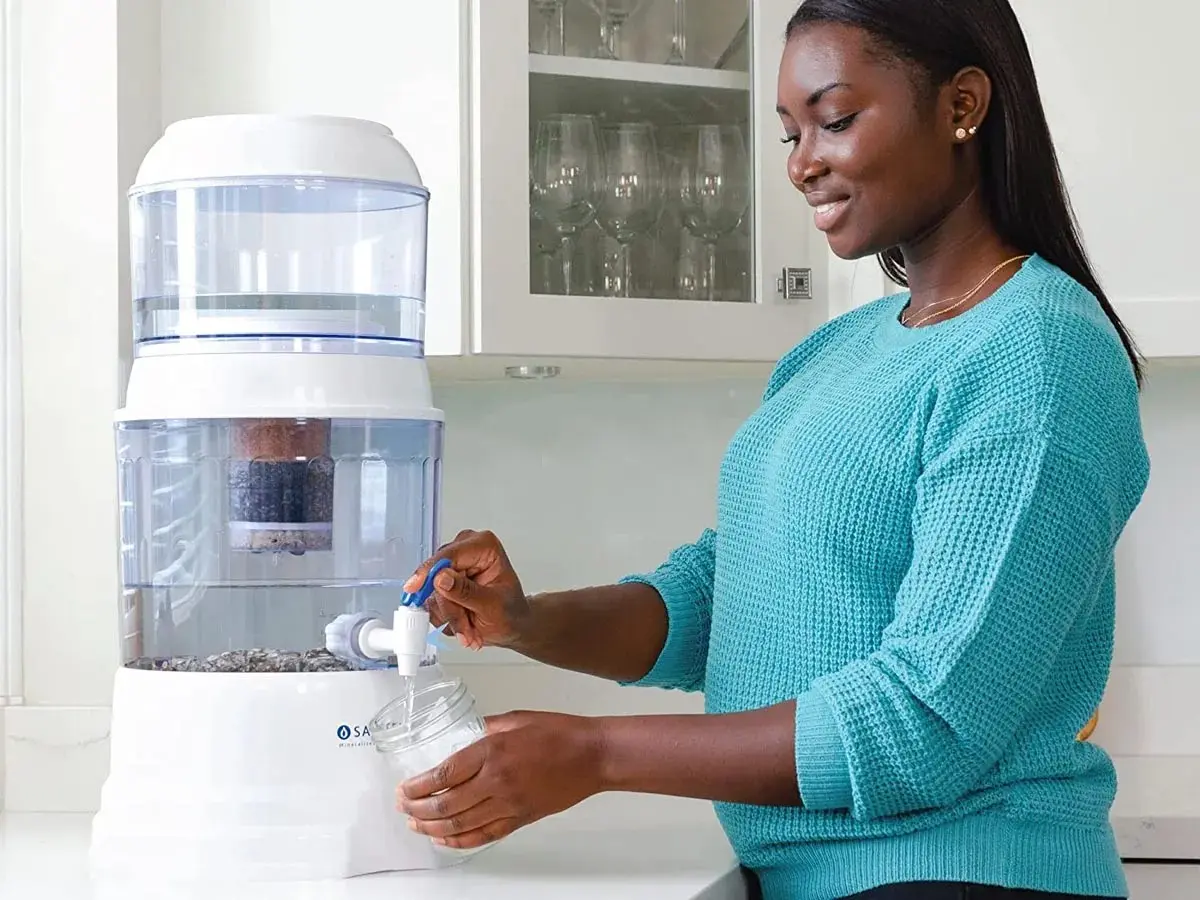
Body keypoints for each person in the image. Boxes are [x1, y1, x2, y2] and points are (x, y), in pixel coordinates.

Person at [397, 1, 1149, 897]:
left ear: (962, 105)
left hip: (962, 876)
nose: (800, 164)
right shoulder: (839, 348)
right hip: (801, 878)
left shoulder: (1040, 350)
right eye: (790, 132)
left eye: (833, 121)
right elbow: (728, 599)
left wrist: (594, 751)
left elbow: (928, 724)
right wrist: (529, 622)